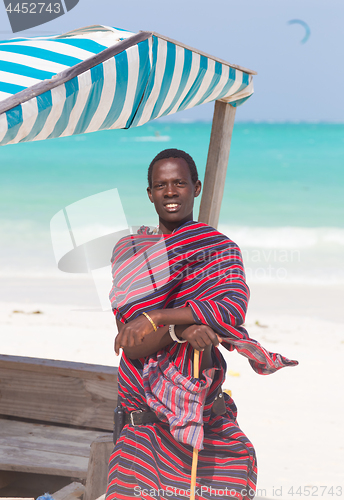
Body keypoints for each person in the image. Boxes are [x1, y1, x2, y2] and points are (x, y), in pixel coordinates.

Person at [106, 149, 297, 500]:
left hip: (206, 419)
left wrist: (161, 316)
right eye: (160, 185)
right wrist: (182, 330)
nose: (170, 191)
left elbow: (229, 311)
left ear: (196, 188)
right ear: (149, 194)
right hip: (144, 424)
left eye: (179, 183)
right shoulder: (131, 252)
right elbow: (131, 341)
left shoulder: (221, 250)